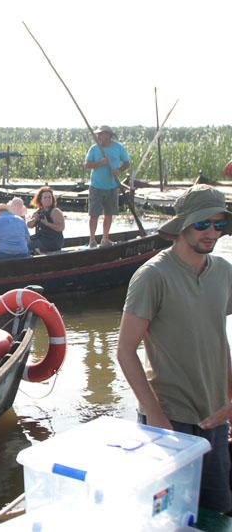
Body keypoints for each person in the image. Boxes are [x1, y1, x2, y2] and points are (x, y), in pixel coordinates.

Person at [117, 185, 232, 513]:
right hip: (170, 418)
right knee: (168, 514)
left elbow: (217, 338)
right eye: (202, 224)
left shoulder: (223, 272)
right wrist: (154, 413)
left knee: (217, 509)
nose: (211, 232)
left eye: (219, 225)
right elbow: (125, 350)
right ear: (183, 225)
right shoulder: (152, 276)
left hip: (216, 415)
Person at [84, 125, 130, 248]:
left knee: (109, 213)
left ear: (108, 135)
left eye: (101, 134)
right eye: (98, 134)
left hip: (111, 186)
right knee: (94, 214)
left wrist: (118, 170)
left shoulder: (118, 147)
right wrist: (100, 163)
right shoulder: (94, 148)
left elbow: (126, 163)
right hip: (96, 186)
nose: (99, 136)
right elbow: (87, 165)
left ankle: (105, 239)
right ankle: (92, 240)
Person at [28, 186, 65, 253]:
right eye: (45, 198)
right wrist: (34, 220)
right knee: (24, 241)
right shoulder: (38, 211)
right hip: (40, 238)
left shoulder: (55, 211)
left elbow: (61, 227)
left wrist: (47, 223)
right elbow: (29, 226)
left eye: (49, 197)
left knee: (29, 245)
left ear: (52, 199)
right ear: (40, 200)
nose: (48, 199)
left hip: (53, 241)